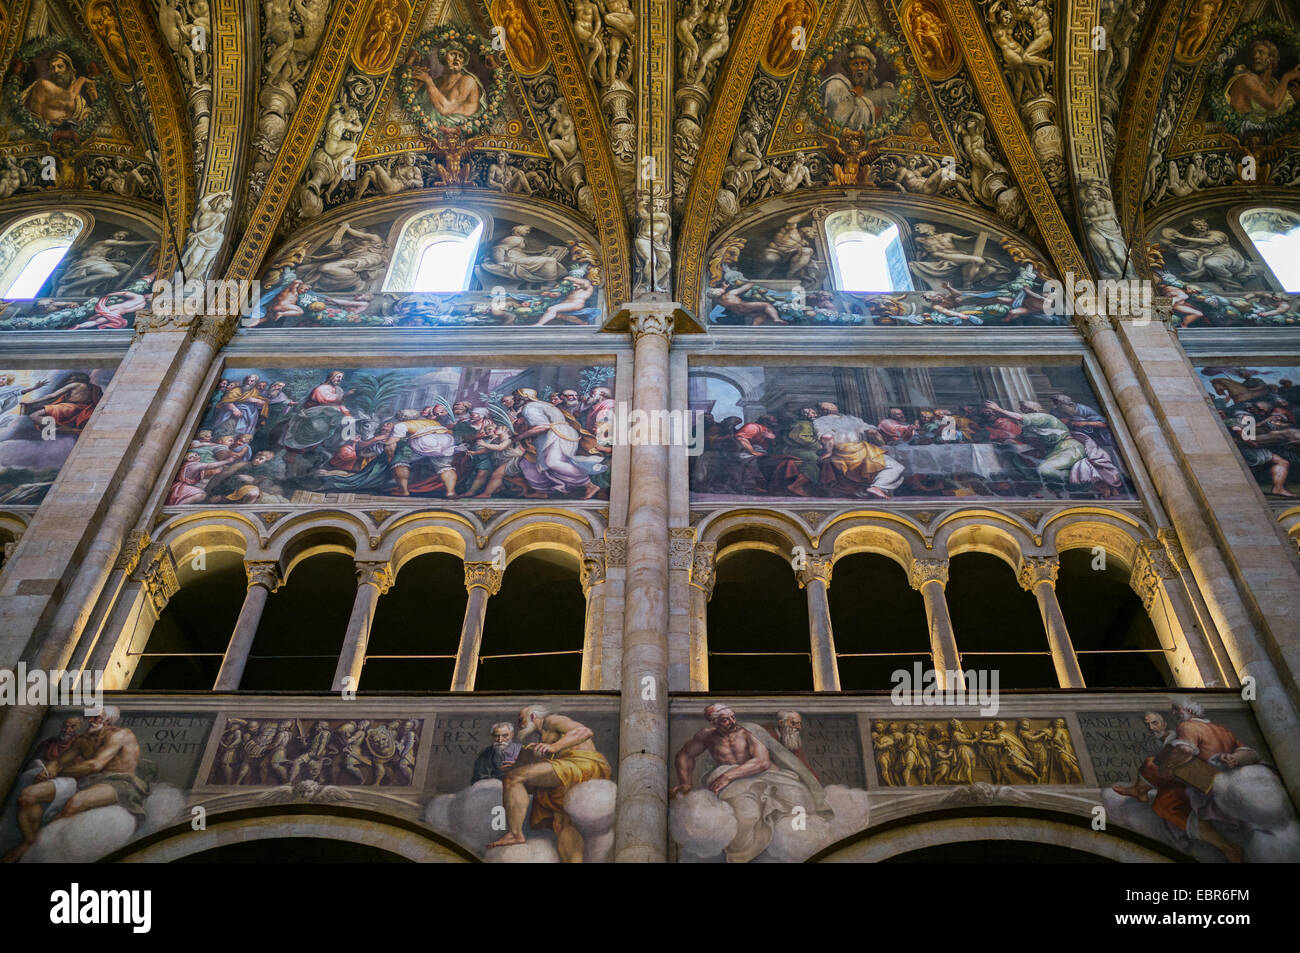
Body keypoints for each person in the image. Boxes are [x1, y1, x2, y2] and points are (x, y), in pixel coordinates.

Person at [671, 704, 829, 863]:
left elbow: (762, 762)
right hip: (736, 782)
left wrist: (728, 776)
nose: (732, 722)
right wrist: (685, 782)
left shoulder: (748, 732)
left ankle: (795, 847)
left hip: (762, 773)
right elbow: (684, 755)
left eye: (733, 717)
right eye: (725, 720)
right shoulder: (706, 736)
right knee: (747, 815)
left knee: (799, 796)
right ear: (713, 723)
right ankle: (740, 858)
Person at [5, 707, 148, 863]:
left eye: (97, 718)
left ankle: (36, 847)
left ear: (108, 720)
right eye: (90, 717)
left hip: (119, 782)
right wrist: (50, 770)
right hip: (86, 779)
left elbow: (95, 765)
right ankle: (29, 840)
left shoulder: (120, 735)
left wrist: (59, 772)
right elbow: (59, 762)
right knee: (28, 796)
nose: (91, 721)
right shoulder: (84, 739)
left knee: (75, 803)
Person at [487, 706, 611, 863]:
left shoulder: (552, 720)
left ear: (532, 716)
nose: (519, 724)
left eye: (521, 719)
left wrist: (554, 747)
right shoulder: (542, 738)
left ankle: (515, 833)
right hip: (570, 773)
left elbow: (585, 732)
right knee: (562, 824)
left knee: (513, 779)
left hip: (582, 764)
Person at [813, 400, 905, 498]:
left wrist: (829, 452)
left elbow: (827, 437)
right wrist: (882, 445)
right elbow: (873, 432)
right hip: (862, 449)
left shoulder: (820, 421)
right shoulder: (852, 419)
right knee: (895, 466)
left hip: (842, 451)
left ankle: (878, 487)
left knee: (892, 464)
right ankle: (879, 486)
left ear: (822, 411)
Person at [820, 44, 898, 131]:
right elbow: (839, 117)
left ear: (869, 68)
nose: (859, 68)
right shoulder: (837, 83)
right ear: (849, 68)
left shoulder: (871, 88)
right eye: (855, 64)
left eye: (863, 64)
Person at [22, 50, 98, 126]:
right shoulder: (43, 85)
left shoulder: (79, 100)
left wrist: (94, 97)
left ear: (68, 69)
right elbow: (69, 96)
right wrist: (82, 79)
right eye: (52, 68)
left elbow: (92, 119)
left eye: (60, 66)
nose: (56, 71)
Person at [409, 42, 483, 117]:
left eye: (461, 56)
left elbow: (445, 109)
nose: (457, 58)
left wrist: (428, 81)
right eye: (453, 54)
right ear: (444, 57)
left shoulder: (467, 81)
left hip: (459, 125)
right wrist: (417, 87)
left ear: (463, 63)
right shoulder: (438, 83)